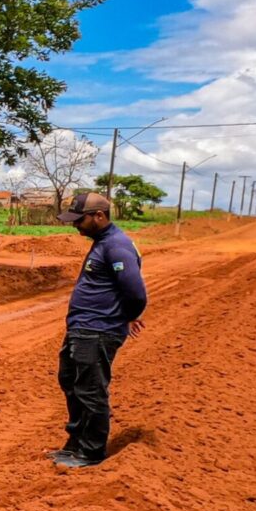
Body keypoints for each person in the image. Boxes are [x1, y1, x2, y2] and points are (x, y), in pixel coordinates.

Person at [51, 191, 147, 468]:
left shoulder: (116, 246)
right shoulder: (102, 243)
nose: (75, 225)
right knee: (71, 382)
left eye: (79, 220)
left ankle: (91, 452)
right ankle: (75, 444)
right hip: (83, 329)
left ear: (99, 216)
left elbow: (136, 292)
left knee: (91, 390)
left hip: (98, 330)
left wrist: (127, 316)